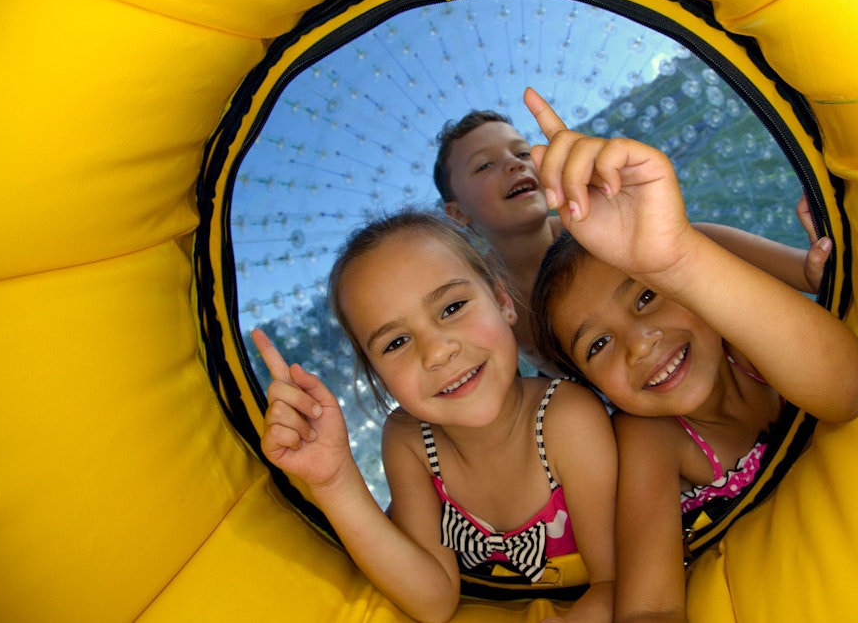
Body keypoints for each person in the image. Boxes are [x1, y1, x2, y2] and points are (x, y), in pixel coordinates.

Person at [523, 87, 858, 623]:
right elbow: (651, 607)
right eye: (597, 346)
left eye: (646, 295)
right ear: (591, 386)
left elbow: (847, 392)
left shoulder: (751, 340)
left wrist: (677, 257)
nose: (640, 343)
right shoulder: (650, 438)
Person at [254, 210, 617, 623]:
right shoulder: (410, 440)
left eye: (452, 307)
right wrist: (335, 481)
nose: (437, 351)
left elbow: (615, 581)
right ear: (379, 376)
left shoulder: (567, 418)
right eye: (397, 342)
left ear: (502, 301)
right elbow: (434, 602)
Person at [432, 110, 833, 375]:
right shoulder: (480, 301)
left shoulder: (588, 227)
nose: (514, 163)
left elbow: (692, 245)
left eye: (522, 151)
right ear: (457, 214)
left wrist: (805, 269)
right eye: (485, 165)